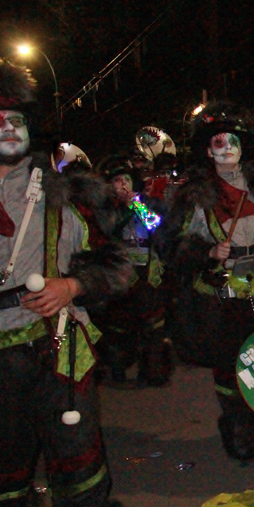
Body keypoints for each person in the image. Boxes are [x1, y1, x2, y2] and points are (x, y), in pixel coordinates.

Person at [0, 58, 132, 507]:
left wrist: (71, 286)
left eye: (17, 119)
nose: (9, 128)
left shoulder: (70, 192)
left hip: (57, 351)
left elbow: (121, 263)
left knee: (79, 470)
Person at [165, 101, 254, 462]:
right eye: (220, 142)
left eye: (234, 141)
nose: (229, 148)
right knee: (231, 365)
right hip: (222, 296)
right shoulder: (193, 195)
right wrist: (207, 253)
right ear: (208, 150)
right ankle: (240, 430)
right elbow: (169, 246)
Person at [94, 154, 173, 387]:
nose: (123, 186)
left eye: (126, 180)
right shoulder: (104, 208)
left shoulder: (147, 203)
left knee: (154, 324)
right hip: (119, 273)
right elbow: (107, 232)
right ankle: (117, 368)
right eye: (117, 181)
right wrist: (125, 210)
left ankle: (154, 370)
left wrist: (137, 205)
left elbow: (157, 226)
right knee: (119, 326)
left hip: (148, 270)